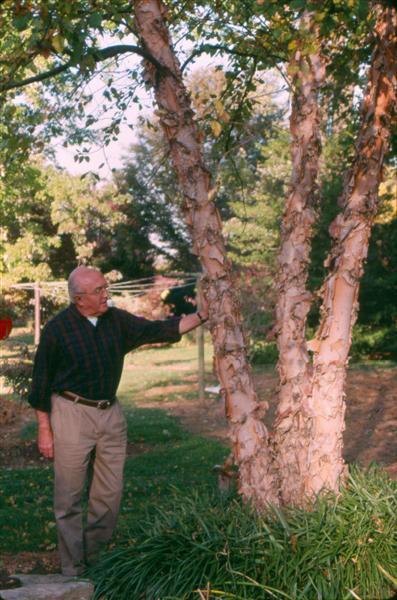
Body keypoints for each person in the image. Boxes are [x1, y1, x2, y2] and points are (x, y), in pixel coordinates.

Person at [28, 266, 208, 576]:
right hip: (71, 411)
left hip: (110, 413)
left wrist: (202, 316)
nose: (105, 294)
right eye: (98, 291)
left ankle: (98, 561)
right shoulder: (58, 329)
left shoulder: (116, 320)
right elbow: (40, 382)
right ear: (79, 298)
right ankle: (73, 568)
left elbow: (158, 330)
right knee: (69, 497)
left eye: (105, 288)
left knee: (108, 494)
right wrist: (45, 429)